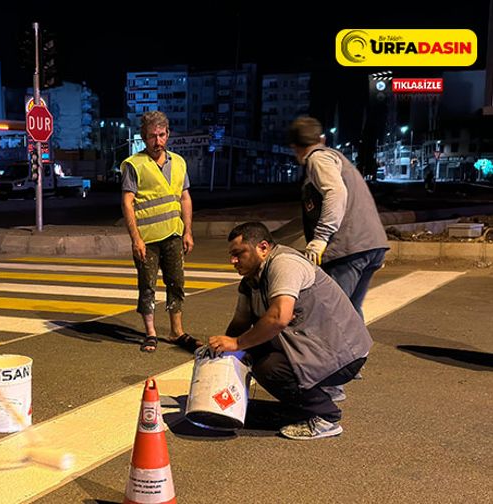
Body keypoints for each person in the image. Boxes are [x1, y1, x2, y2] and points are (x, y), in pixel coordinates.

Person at [206, 222, 371, 440]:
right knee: (249, 352)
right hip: (311, 348)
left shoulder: (284, 264)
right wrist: (223, 348)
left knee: (269, 368)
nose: (233, 260)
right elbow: (240, 322)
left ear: (263, 247)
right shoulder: (250, 281)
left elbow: (278, 318)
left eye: (239, 253)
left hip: (342, 354)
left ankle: (326, 417)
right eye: (231, 255)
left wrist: (236, 344)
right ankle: (307, 401)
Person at [289, 117, 388, 401]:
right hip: (370, 244)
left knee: (328, 315)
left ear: (297, 148)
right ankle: (352, 364)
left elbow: (335, 192)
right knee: (350, 309)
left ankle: (331, 384)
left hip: (348, 247)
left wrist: (320, 238)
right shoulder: (336, 157)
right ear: (320, 138)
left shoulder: (318, 160)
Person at [121, 110, 199, 353]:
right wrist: (136, 239)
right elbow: (127, 203)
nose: (158, 141)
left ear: (168, 134)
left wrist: (188, 231)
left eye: (162, 135)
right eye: (152, 136)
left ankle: (177, 331)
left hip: (174, 235)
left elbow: (185, 197)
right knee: (147, 286)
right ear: (143, 137)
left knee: (176, 283)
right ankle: (151, 333)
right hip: (147, 239)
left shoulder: (179, 163)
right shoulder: (134, 165)